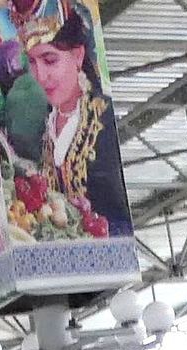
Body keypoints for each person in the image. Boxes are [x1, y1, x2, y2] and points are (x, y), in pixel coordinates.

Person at [18, 0, 132, 236]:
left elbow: (124, 212)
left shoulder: (106, 120)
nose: (40, 76)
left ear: (78, 56)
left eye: (50, 60)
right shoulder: (46, 126)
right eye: (32, 63)